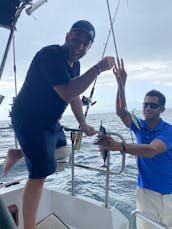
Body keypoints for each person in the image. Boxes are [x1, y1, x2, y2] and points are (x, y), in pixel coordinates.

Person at [4, 20, 115, 229]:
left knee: (62, 151)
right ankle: (29, 226)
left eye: (85, 43)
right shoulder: (50, 55)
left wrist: (83, 123)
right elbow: (66, 91)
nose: (79, 46)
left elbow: (75, 97)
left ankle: (17, 153)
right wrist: (98, 68)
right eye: (76, 39)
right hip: (28, 118)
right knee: (39, 174)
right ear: (67, 36)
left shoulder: (77, 65)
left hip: (49, 121)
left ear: (89, 47)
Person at [95, 59, 172, 229]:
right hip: (146, 193)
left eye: (154, 105)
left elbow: (152, 150)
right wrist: (121, 83)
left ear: (162, 109)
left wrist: (119, 146)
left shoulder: (169, 131)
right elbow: (121, 111)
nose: (148, 108)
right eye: (146, 104)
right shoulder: (139, 126)